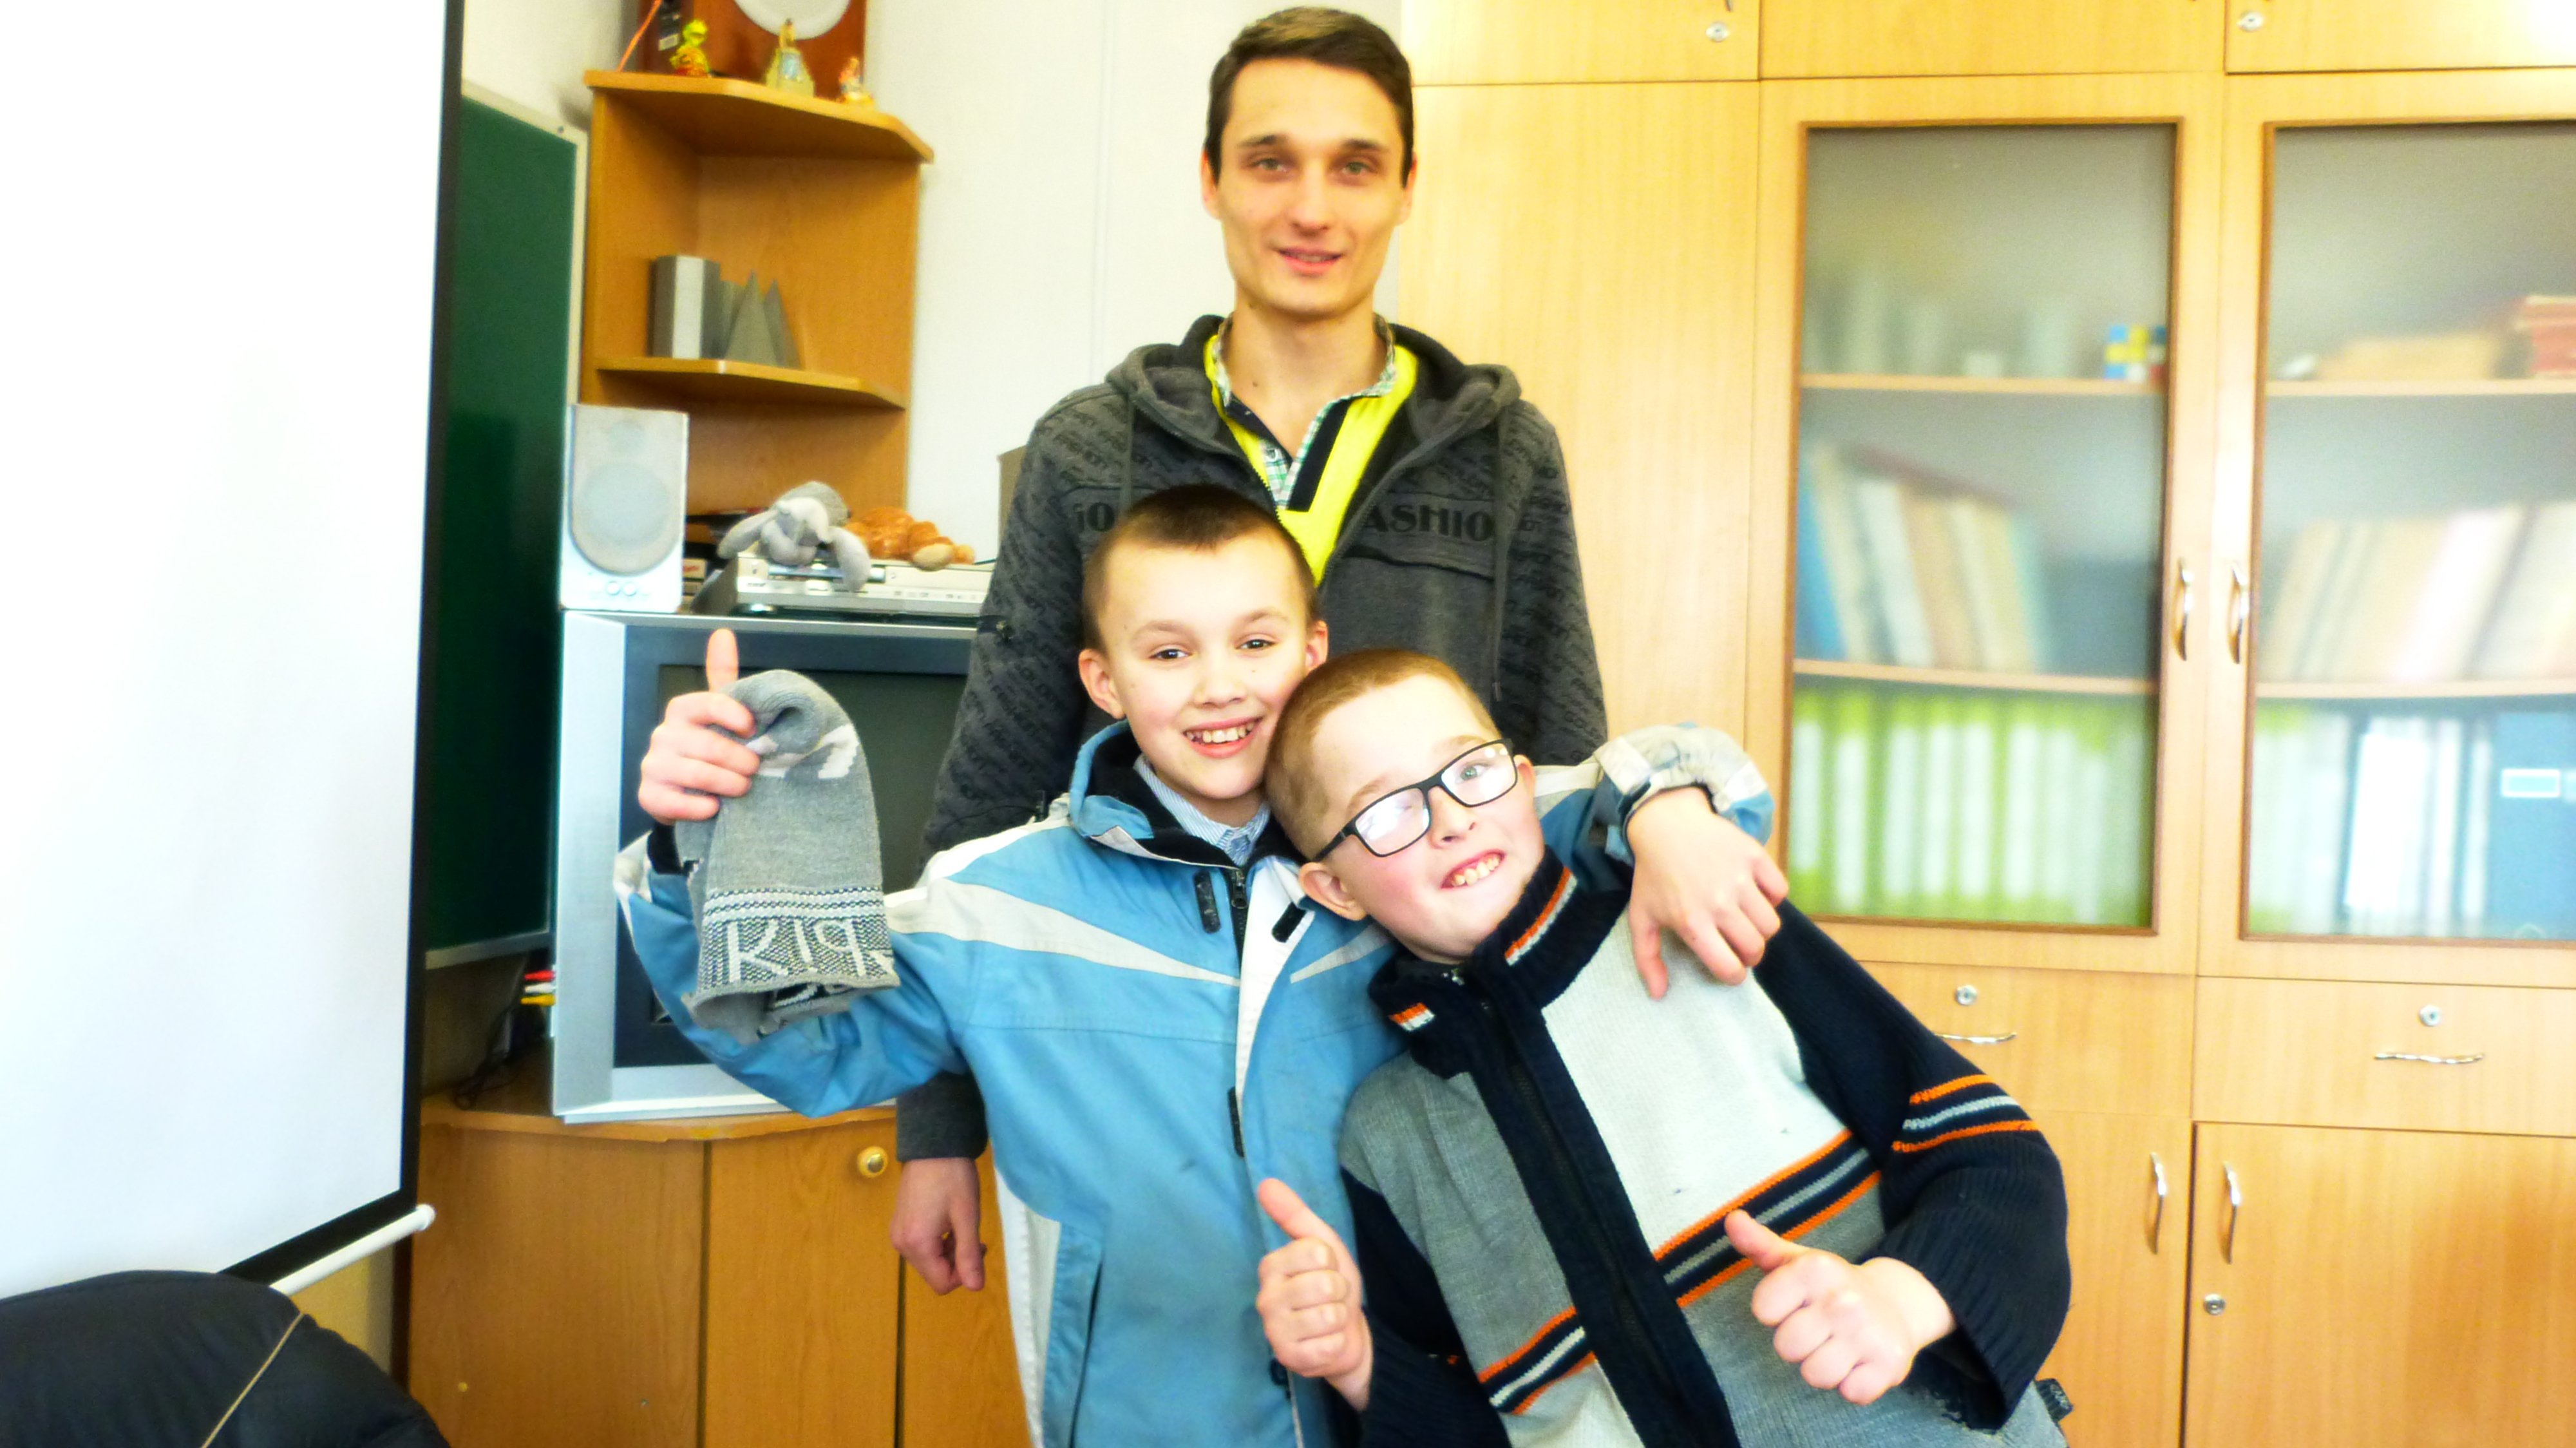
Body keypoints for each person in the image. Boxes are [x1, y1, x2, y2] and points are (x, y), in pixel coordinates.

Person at [886, 6, 1754, 1292]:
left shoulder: (1501, 451)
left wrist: (1649, 839)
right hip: (1146, 1069)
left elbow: (1554, 760)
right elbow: (990, 793)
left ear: (1406, 185)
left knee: (1421, 1378)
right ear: (1210, 179)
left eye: (1354, 165)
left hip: (1422, 1061)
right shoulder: (1091, 450)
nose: (1310, 207)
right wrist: (937, 1125)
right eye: (1269, 160)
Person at [629, 488, 1783, 1444]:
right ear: (1103, 680)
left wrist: (1669, 806)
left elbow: (1651, 781)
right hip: (1148, 1409)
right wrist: (690, 853)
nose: (1220, 684)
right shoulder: (991, 903)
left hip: (1438, 1400)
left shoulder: (1415, 838)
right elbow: (796, 1040)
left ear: (1314, 651)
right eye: (1169, 652)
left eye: (1256, 642)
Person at [1251, 650, 2075, 1447]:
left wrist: (1903, 1299)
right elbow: (1475, 1421)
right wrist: (1360, 1364)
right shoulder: (1385, 1138)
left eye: (1470, 770)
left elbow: (1993, 1158)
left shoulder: (1711, 930)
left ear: (1525, 782)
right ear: (1334, 888)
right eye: (1387, 812)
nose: (1451, 820)